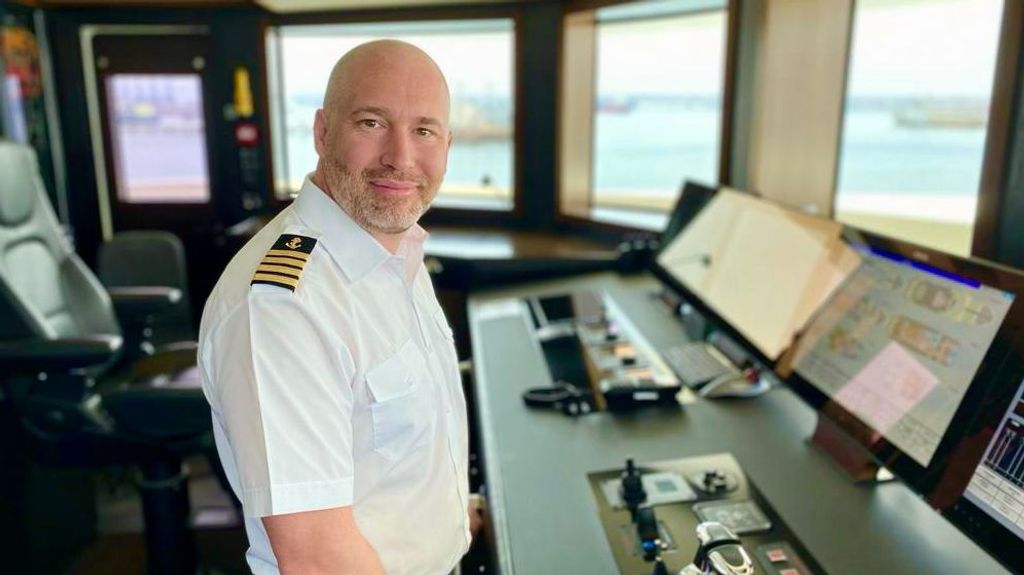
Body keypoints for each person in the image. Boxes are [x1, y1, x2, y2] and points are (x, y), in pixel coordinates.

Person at [198, 40, 473, 574]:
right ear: (323, 132)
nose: (401, 157)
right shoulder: (282, 308)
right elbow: (319, 560)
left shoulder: (395, 249)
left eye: (424, 130)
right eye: (372, 123)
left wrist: (451, 514)